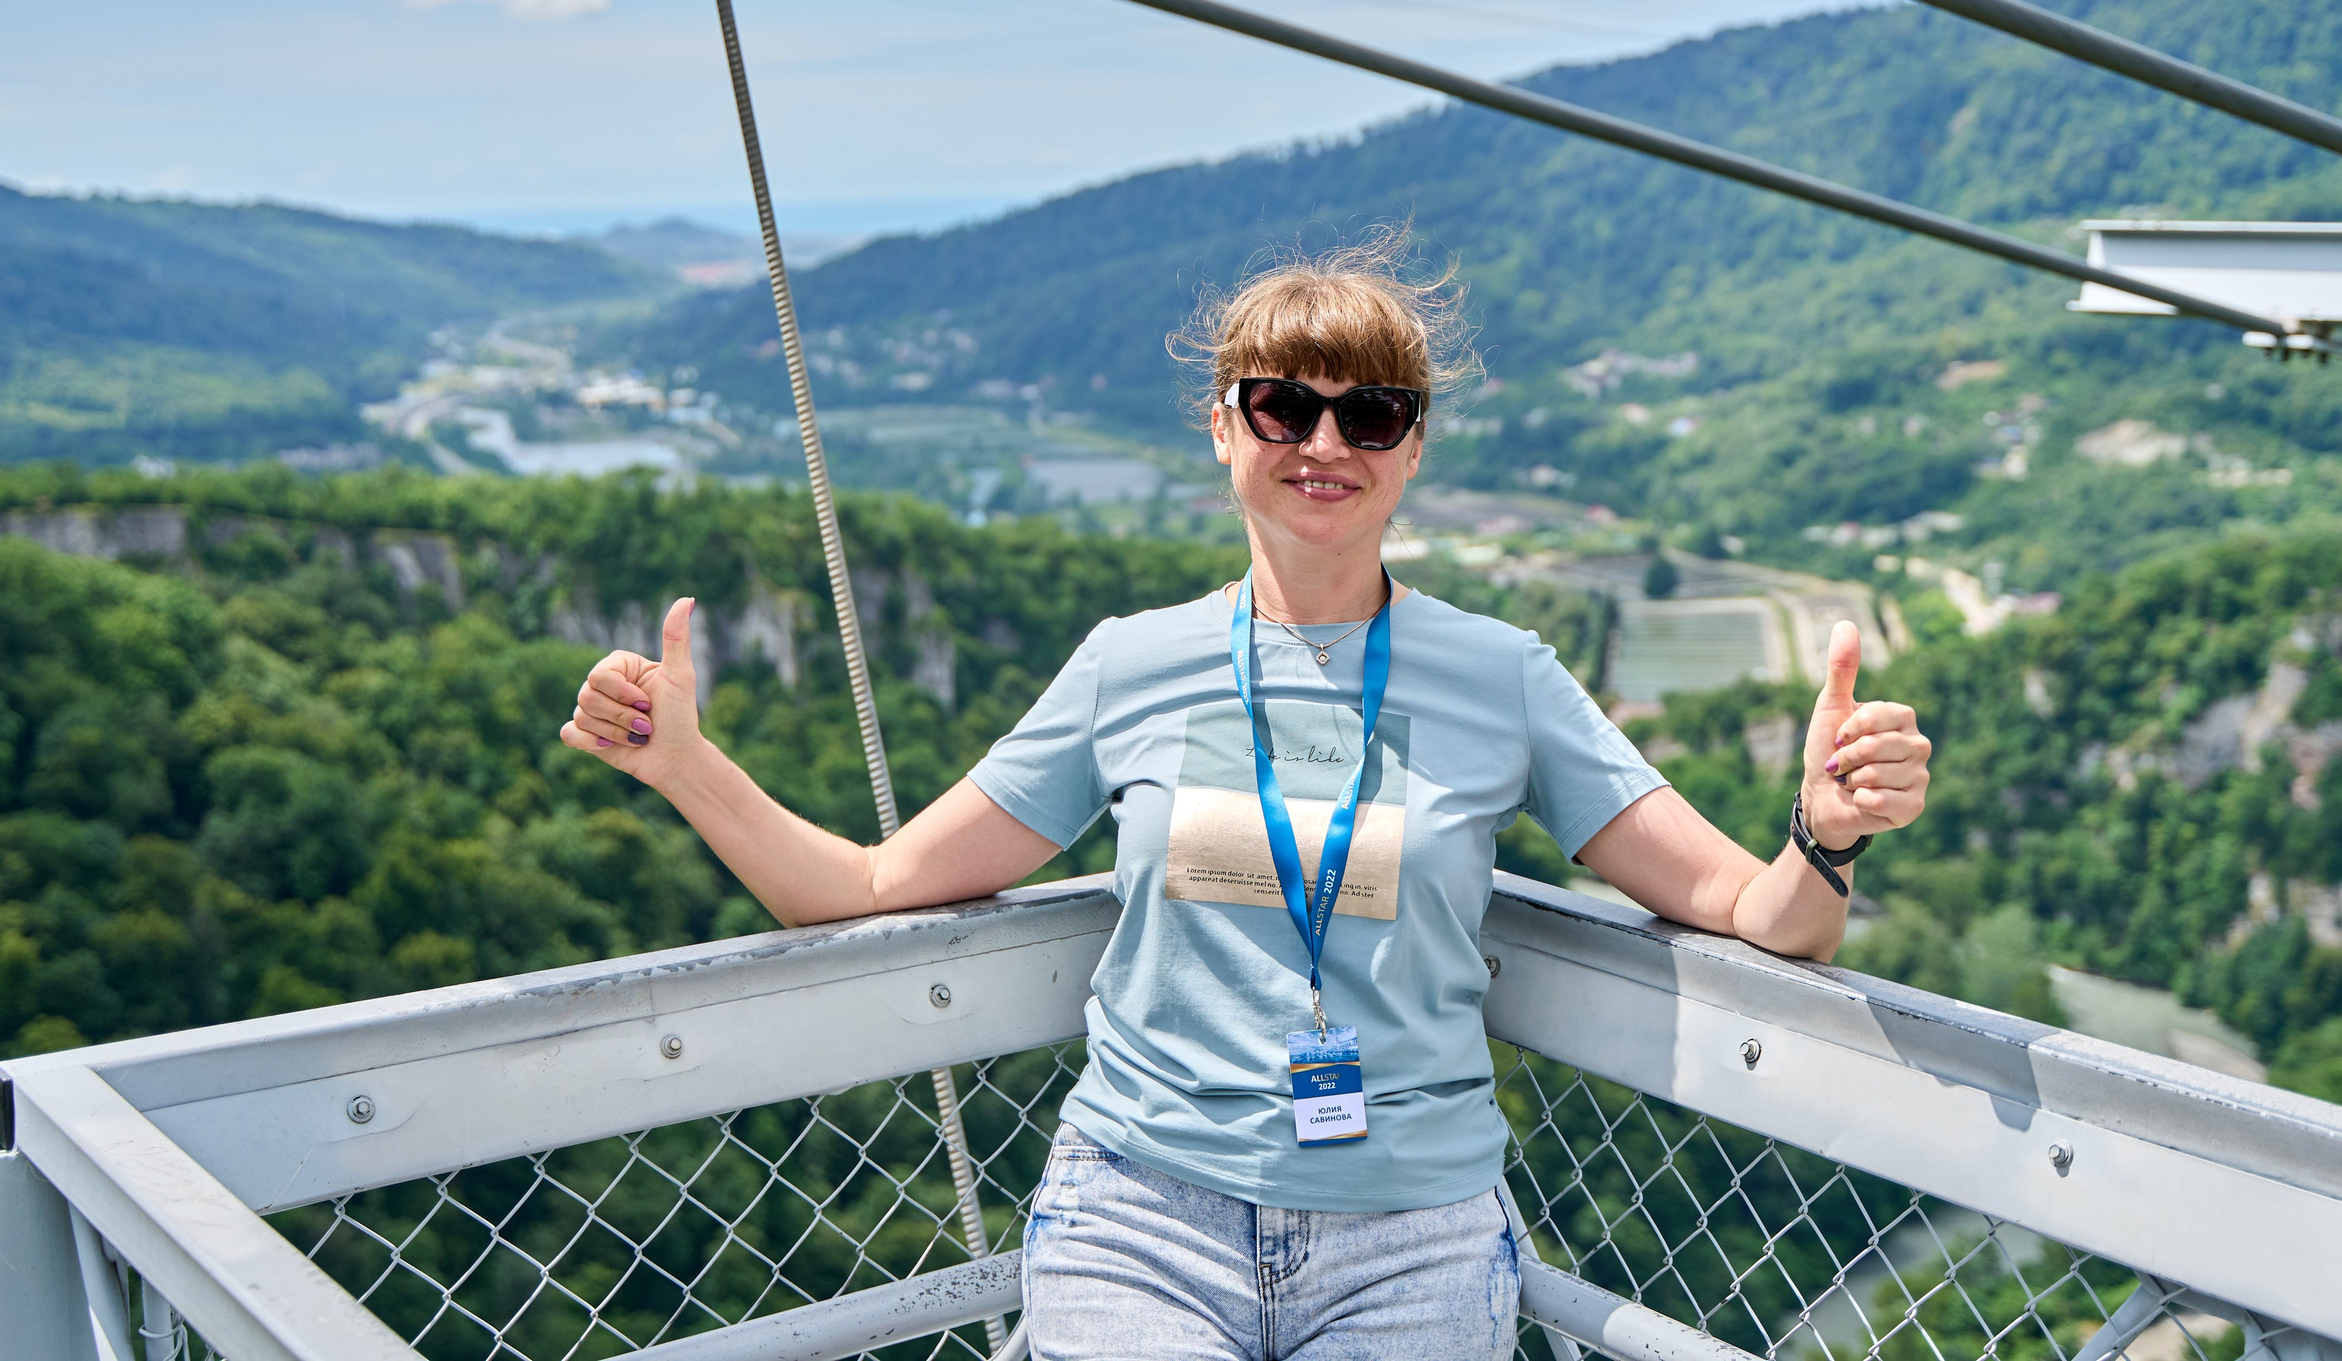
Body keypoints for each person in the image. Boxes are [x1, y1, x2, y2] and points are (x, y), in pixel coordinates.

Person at [559, 239, 1932, 1360]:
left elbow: (1758, 915)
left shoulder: (1502, 678)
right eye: (1285, 404)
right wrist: (686, 762)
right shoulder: (1129, 666)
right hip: (1139, 1218)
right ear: (1224, 428)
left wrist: (1825, 827)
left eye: (1371, 412)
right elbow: (859, 887)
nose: (1324, 441)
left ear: (1412, 448)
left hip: (1412, 1231)